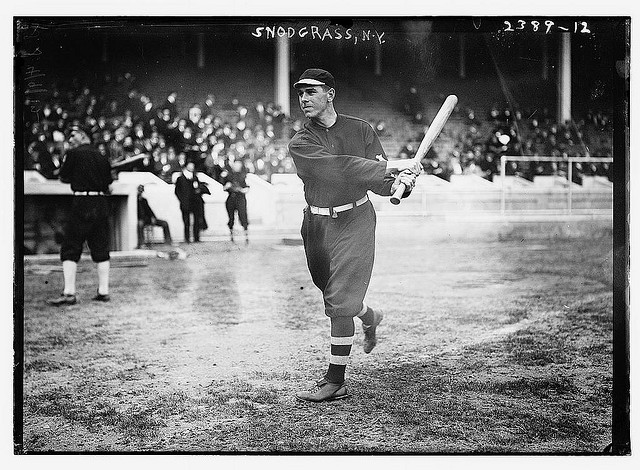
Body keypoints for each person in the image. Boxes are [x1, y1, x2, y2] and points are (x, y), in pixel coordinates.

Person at [287, 68, 421, 402]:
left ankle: (335, 381)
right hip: (317, 226)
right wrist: (391, 168)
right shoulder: (301, 141)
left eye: (311, 91)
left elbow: (378, 182)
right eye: (300, 93)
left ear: (329, 94)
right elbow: (338, 167)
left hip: (355, 220)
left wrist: (402, 184)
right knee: (332, 294)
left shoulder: (361, 130)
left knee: (339, 300)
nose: (303, 98)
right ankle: (369, 316)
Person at [47, 125, 113, 306]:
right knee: (101, 247)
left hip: (82, 203)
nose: (71, 138)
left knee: (71, 246)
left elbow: (64, 177)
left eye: (74, 134)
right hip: (100, 203)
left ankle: (69, 293)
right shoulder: (101, 156)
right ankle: (103, 291)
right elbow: (108, 183)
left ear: (83, 136)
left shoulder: (73, 154)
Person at [174, 161, 205, 243]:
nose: (192, 167)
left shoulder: (195, 177)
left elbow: (197, 187)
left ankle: (196, 237)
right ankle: (187, 238)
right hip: (185, 203)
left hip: (195, 202)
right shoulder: (180, 178)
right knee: (186, 221)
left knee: (196, 221)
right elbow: (177, 191)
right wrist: (182, 200)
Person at [221, 160, 250, 243]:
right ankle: (231, 236)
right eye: (235, 165)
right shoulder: (228, 175)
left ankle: (246, 235)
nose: (236, 167)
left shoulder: (244, 176)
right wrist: (227, 186)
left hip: (240, 198)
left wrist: (240, 189)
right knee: (231, 218)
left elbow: (247, 188)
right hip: (231, 198)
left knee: (243, 216)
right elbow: (224, 187)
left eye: (238, 166)